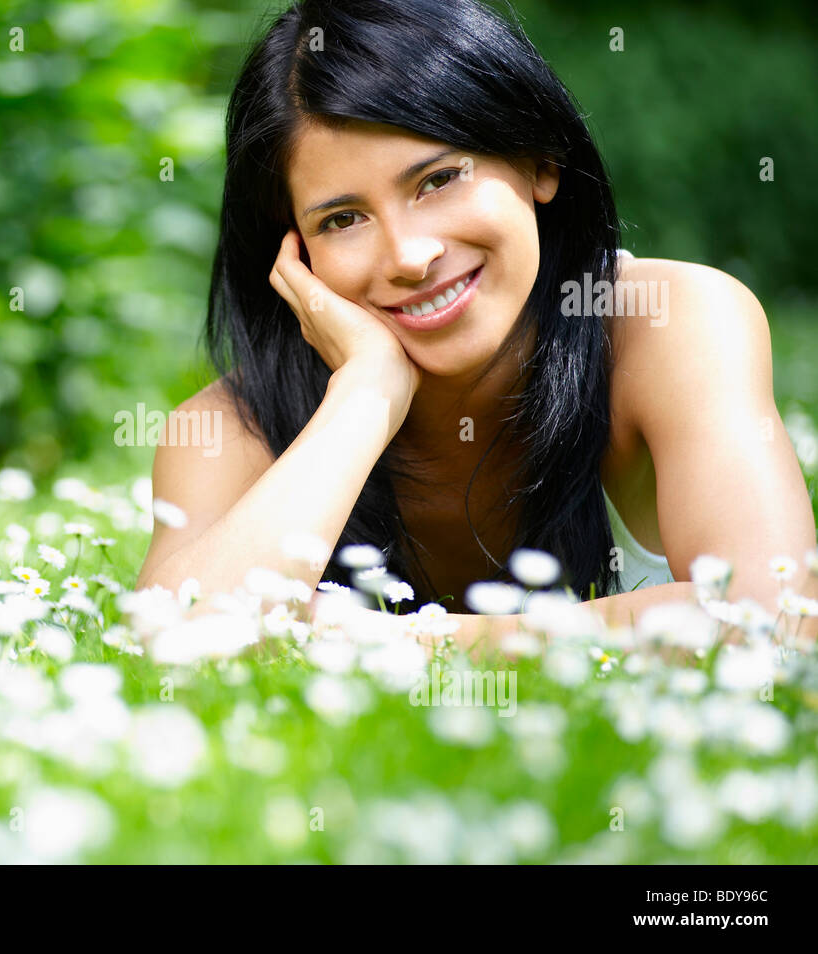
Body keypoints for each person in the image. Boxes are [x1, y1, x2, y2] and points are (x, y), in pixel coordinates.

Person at [134, 0, 818, 644]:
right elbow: (174, 641)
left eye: (438, 180)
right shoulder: (230, 431)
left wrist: (393, 644)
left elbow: (774, 616)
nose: (409, 256)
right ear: (296, 254)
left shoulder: (668, 325)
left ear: (538, 161)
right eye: (343, 220)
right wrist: (366, 395)